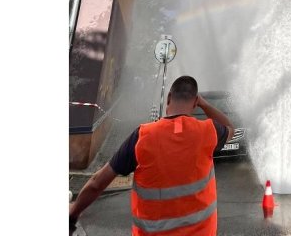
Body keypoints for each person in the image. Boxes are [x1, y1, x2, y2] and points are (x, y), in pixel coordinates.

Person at [69, 75, 234, 235]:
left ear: (169, 97)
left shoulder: (142, 136)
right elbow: (229, 127)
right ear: (195, 103)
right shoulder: (208, 132)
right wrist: (204, 105)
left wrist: (73, 213)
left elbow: (96, 183)